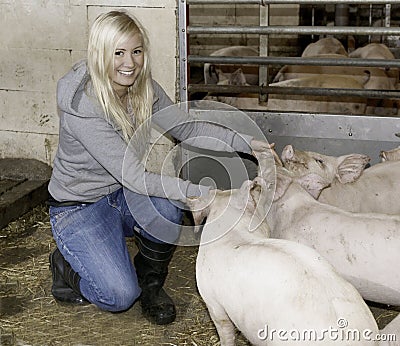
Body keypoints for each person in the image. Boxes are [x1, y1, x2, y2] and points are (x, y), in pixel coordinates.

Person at [48, 10, 270, 325]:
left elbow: (188, 130)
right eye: (118, 53)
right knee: (118, 296)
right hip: (78, 206)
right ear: (100, 54)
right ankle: (65, 266)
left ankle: (150, 284)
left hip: (121, 193)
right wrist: (199, 193)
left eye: (136, 51)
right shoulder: (84, 105)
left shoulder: (143, 88)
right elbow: (136, 176)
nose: (130, 63)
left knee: (167, 207)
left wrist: (246, 143)